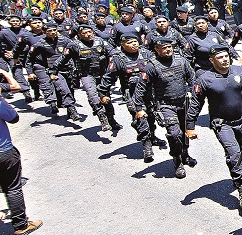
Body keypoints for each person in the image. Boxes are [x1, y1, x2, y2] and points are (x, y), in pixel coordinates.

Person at [186, 46, 242, 208]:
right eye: (220, 57)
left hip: (241, 121)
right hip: (221, 124)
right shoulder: (204, 79)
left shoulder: (239, 71)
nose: (225, 59)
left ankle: (241, 175)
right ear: (212, 60)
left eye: (226, 56)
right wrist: (190, 125)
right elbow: (195, 104)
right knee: (233, 153)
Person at [134, 37, 196, 179]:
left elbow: (192, 78)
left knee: (185, 131)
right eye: (164, 48)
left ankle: (185, 154)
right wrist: (138, 107)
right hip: (165, 105)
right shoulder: (151, 66)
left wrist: (195, 94)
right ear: (156, 49)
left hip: (183, 102)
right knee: (174, 134)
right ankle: (177, 160)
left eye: (169, 47)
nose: (168, 50)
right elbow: (141, 87)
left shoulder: (181, 61)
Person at [99, 34, 162, 162]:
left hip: (149, 91)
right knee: (140, 118)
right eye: (129, 43)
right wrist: (103, 93)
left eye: (135, 41)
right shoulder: (118, 59)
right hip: (132, 93)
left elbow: (159, 68)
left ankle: (152, 137)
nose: (134, 44)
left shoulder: (146, 54)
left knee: (151, 116)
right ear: (122, 45)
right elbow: (109, 77)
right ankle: (147, 146)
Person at [0, 71, 42, 235]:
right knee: (13, 187)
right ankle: (21, 226)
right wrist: (5, 73)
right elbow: (14, 117)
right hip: (3, 151)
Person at [71, 24, 121, 131]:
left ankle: (111, 120)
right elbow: (63, 58)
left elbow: (112, 51)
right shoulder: (74, 45)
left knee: (106, 98)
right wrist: (53, 71)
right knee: (92, 95)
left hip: (102, 74)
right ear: (79, 35)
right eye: (84, 33)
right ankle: (102, 118)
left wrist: (113, 58)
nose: (88, 35)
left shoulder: (100, 41)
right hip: (86, 75)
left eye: (90, 32)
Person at [27, 22, 80, 120]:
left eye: (54, 30)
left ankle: (69, 112)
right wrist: (30, 72)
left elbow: (75, 51)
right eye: (49, 31)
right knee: (63, 88)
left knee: (70, 89)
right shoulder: (39, 44)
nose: (53, 32)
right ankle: (72, 110)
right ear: (44, 32)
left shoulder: (64, 40)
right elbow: (30, 59)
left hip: (66, 68)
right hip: (54, 71)